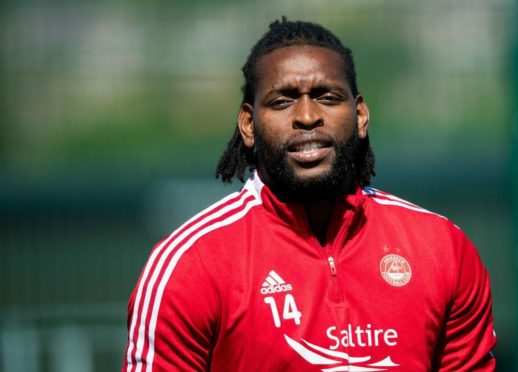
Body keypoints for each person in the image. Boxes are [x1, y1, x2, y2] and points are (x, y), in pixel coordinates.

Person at [123, 17, 496, 372]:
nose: (306, 116)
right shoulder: (191, 265)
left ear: (361, 115)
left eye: (327, 97)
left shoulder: (442, 250)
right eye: (283, 101)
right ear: (248, 126)